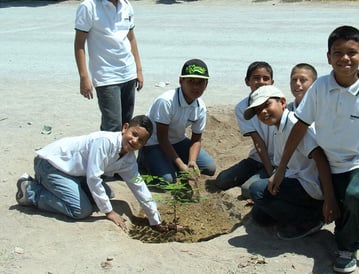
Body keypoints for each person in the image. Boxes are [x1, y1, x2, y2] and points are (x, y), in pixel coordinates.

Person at [271, 26, 359, 273]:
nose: (345, 58)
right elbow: (299, 128)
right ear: (328, 57)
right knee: (270, 194)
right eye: (337, 52)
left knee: (356, 197)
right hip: (326, 164)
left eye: (352, 52)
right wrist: (280, 169)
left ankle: (347, 247)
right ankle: (332, 215)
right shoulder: (319, 88)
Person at [15, 115, 168, 232]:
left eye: (140, 140)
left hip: (74, 172)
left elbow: (138, 185)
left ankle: (60, 188)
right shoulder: (104, 142)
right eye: (134, 134)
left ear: (144, 144)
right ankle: (31, 191)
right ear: (125, 128)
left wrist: (155, 220)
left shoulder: (128, 160)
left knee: (107, 194)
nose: (135, 141)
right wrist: (109, 212)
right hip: (51, 164)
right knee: (80, 210)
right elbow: (93, 178)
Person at [243, 85, 339, 240]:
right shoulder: (278, 127)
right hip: (296, 180)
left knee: (257, 190)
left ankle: (311, 220)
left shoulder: (295, 124)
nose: (263, 112)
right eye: (258, 111)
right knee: (260, 216)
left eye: (266, 105)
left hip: (310, 186)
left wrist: (329, 199)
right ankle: (297, 213)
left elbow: (320, 159)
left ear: (282, 102)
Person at [138, 59, 216, 185]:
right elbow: (162, 138)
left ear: (206, 84)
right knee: (167, 181)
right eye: (191, 81)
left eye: (200, 82)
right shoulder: (167, 101)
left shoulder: (200, 106)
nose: (196, 87)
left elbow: (196, 139)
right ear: (181, 81)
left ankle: (168, 164)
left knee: (209, 168)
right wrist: (180, 164)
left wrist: (192, 161)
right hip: (154, 142)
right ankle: (144, 160)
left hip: (177, 141)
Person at [74, 0, 144, 132]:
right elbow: (79, 43)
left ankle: (122, 153)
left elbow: (132, 38)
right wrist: (84, 77)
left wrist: (138, 70)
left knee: (126, 124)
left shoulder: (126, 5)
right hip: (106, 76)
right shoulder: (89, 7)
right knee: (112, 127)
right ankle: (105, 152)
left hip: (128, 73)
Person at [215, 61, 275, 198]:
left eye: (266, 78)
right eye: (256, 78)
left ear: (272, 82)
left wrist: (272, 171)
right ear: (247, 81)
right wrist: (268, 169)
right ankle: (259, 175)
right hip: (257, 157)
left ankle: (260, 178)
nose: (261, 82)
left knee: (248, 190)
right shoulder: (242, 107)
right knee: (221, 181)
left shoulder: (278, 104)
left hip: (278, 160)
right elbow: (258, 142)